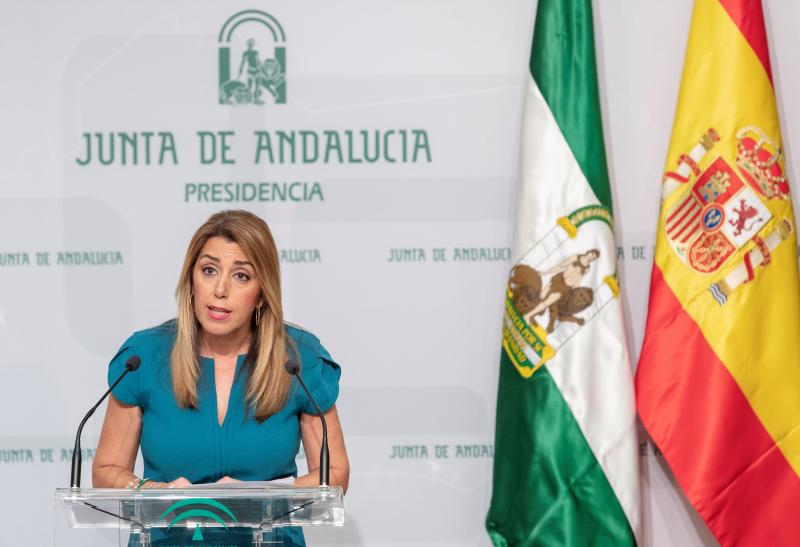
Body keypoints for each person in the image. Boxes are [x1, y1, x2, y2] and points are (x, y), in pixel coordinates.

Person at [93, 210, 349, 546]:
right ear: (191, 280)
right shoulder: (144, 356)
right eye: (209, 271)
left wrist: (262, 495)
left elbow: (335, 475)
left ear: (262, 293)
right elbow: (106, 469)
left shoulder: (298, 359)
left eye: (242, 276)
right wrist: (151, 490)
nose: (220, 290)